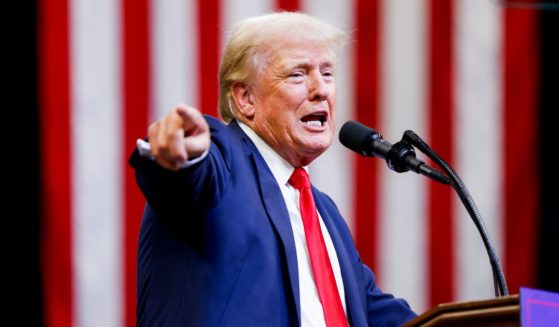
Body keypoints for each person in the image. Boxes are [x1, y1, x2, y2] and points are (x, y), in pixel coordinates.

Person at [129, 12, 417, 326]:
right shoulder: (225, 161)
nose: (320, 89)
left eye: (327, 73)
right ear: (245, 98)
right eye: (297, 74)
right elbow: (188, 180)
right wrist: (180, 158)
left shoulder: (325, 213)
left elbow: (373, 310)